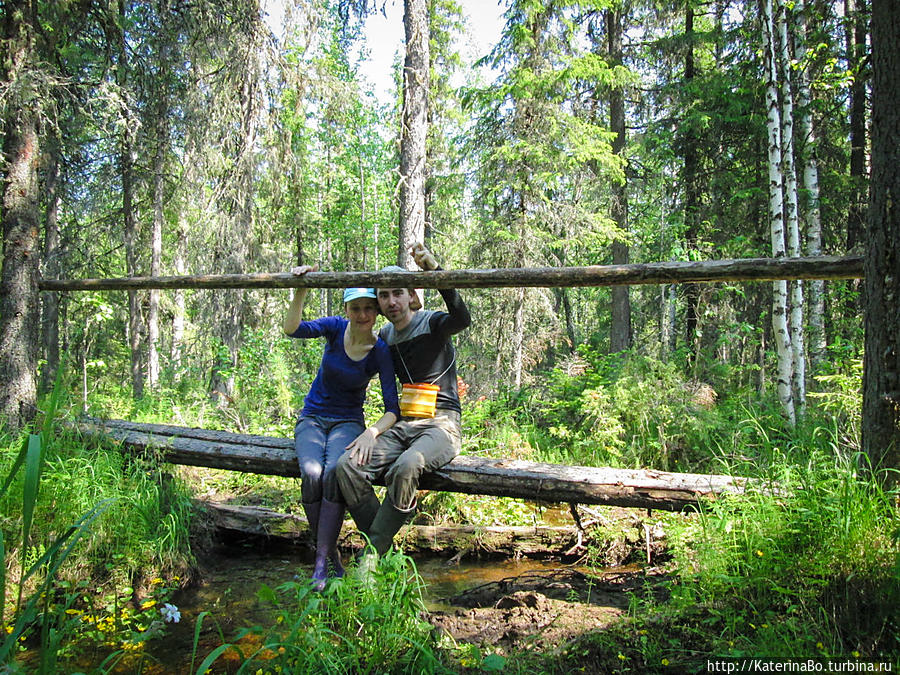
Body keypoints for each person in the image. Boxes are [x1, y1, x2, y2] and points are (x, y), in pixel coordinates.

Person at [335, 243, 470, 562]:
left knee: (407, 466)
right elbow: (357, 361)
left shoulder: (433, 323)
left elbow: (462, 317)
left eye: (398, 292)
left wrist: (435, 272)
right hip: (404, 424)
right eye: (384, 295)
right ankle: (384, 550)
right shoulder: (384, 337)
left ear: (411, 295)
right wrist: (367, 430)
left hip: (442, 425)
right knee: (347, 467)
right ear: (379, 303)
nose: (391, 301)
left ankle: (371, 557)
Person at [283, 265, 400, 590]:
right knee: (311, 472)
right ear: (345, 310)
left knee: (335, 470)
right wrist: (301, 288)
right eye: (355, 308)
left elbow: (393, 409)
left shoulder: (379, 351)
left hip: (348, 422)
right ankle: (329, 557)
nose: (362, 314)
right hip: (312, 418)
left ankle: (320, 565)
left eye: (368, 308)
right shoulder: (335, 329)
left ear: (376, 311)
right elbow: (292, 329)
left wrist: (371, 432)